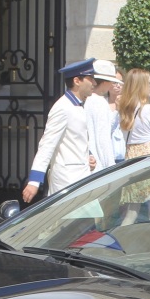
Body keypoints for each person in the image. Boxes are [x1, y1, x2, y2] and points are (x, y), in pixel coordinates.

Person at [21, 59, 99, 203]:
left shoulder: (78, 106)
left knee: (87, 224)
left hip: (81, 177)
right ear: (77, 81)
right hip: (67, 180)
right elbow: (47, 144)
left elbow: (74, 139)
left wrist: (88, 156)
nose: (94, 83)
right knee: (74, 224)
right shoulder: (62, 107)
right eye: (90, 78)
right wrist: (34, 181)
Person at [117, 68, 150, 223]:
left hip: (131, 157)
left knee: (132, 211)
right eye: (149, 83)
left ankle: (120, 240)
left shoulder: (124, 110)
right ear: (141, 86)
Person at [84, 59, 120, 175]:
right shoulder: (99, 102)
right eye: (111, 82)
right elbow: (103, 139)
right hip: (98, 164)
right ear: (105, 82)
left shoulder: (86, 99)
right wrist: (110, 167)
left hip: (88, 160)